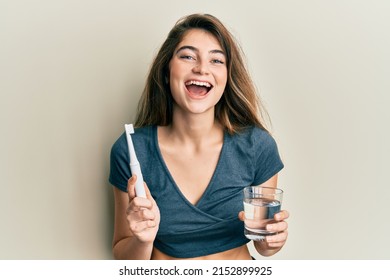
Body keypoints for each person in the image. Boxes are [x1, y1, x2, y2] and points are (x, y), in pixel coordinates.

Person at [109, 13, 289, 260]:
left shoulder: (258, 146)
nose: (202, 68)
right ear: (166, 69)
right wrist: (143, 239)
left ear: (227, 77)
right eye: (187, 56)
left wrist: (270, 242)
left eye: (216, 60)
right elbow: (123, 255)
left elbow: (263, 243)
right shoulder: (131, 151)